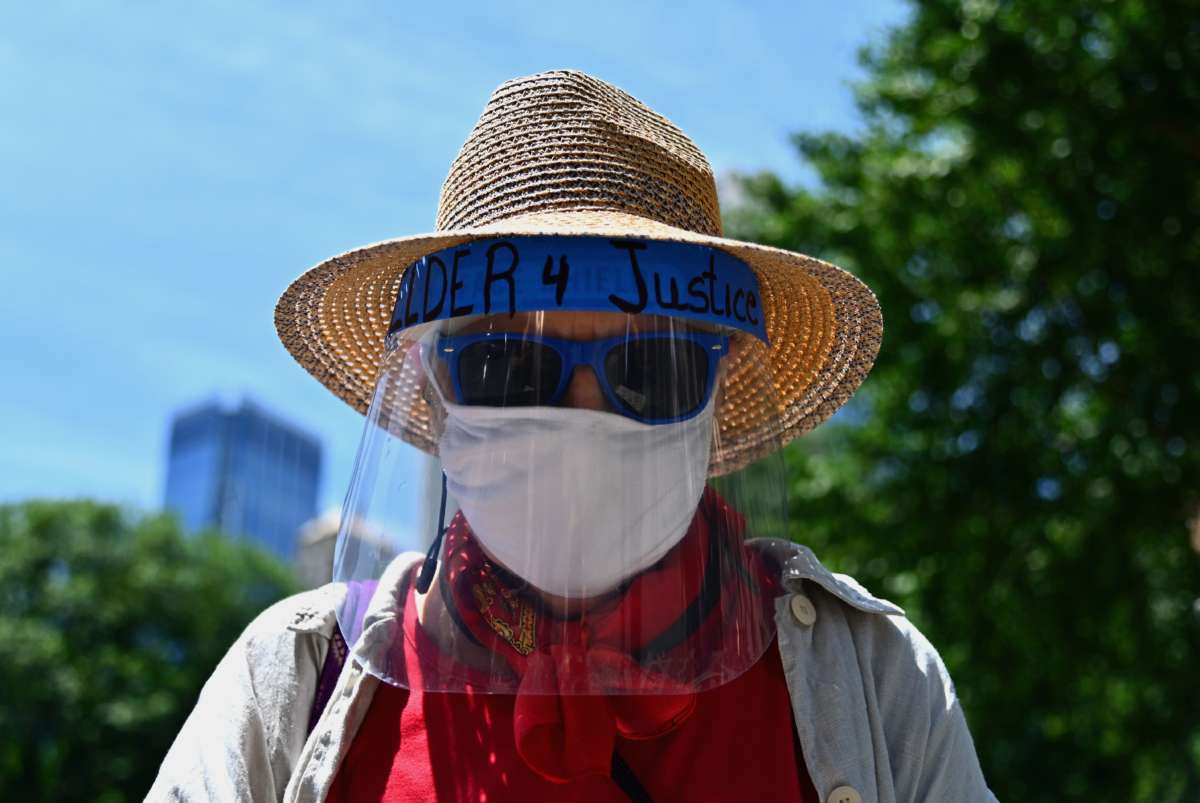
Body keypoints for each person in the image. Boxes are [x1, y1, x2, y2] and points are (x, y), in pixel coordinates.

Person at [149, 69, 998, 803]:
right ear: (437, 394)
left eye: (651, 370)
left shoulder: (876, 677)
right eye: (503, 365)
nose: (582, 415)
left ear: (715, 399)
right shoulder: (293, 677)